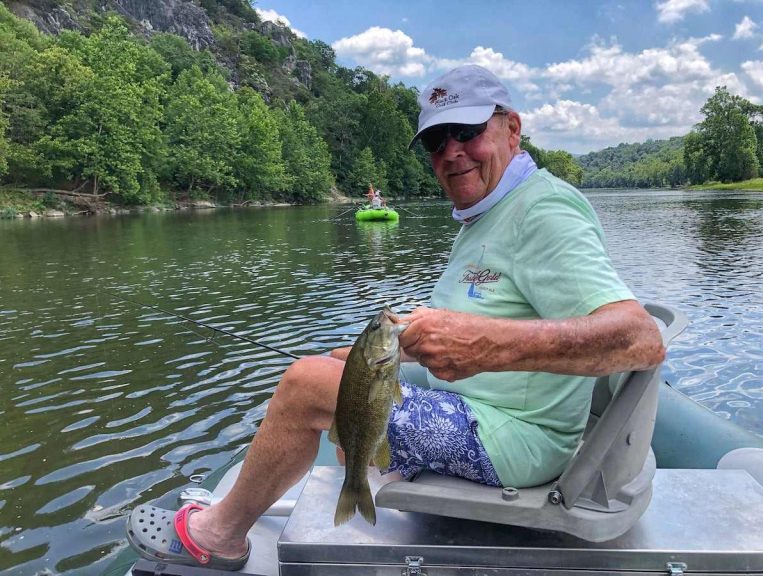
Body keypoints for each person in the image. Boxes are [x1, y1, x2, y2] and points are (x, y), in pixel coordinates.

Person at [125, 64, 665, 570]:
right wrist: (392, 351)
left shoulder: (543, 212)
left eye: (467, 131)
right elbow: (488, 311)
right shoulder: (487, 214)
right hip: (483, 406)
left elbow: (640, 339)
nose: (452, 153)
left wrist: (489, 344)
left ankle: (217, 537)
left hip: (519, 439)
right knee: (332, 365)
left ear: (512, 128)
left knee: (305, 384)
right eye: (436, 140)